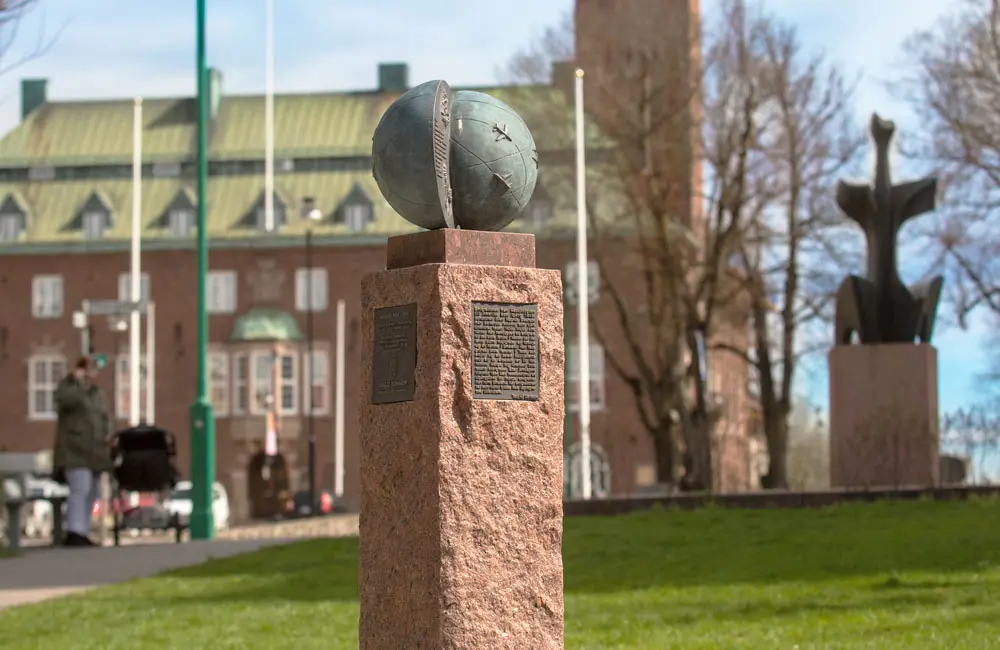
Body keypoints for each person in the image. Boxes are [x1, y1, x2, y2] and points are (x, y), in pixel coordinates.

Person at [52, 356, 113, 547]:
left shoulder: (96, 394)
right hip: (73, 451)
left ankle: (82, 530)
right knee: (80, 488)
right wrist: (76, 381)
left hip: (94, 452)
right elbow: (64, 400)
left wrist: (106, 434)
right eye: (88, 369)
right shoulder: (69, 389)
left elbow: (103, 417)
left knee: (92, 491)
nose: (92, 373)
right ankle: (74, 531)